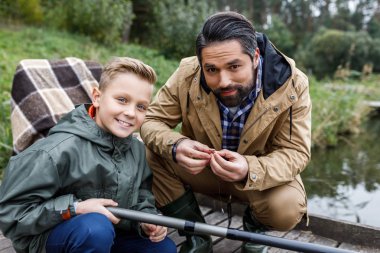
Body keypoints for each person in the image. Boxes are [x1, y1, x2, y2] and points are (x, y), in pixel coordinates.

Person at [140, 11, 311, 253]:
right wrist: (176, 145)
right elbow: (152, 120)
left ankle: (254, 231)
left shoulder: (294, 84)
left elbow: (296, 152)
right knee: (147, 154)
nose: (223, 81)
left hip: (257, 179)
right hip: (203, 169)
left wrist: (249, 169)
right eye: (211, 70)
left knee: (288, 207)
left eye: (234, 67)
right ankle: (196, 234)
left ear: (255, 57)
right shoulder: (187, 73)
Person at [0, 57, 177, 253]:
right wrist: (75, 208)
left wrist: (146, 221)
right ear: (97, 97)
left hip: (110, 235)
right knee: (95, 229)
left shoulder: (136, 149)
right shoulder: (56, 150)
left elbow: (142, 197)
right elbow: (11, 213)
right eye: (122, 100)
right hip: (52, 238)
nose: (130, 113)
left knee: (164, 248)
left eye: (141, 106)